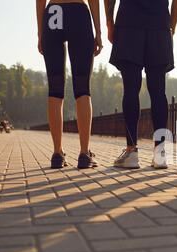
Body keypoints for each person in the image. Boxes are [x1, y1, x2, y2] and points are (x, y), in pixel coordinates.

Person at [105, 0, 177, 169]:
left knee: (131, 89)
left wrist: (109, 22)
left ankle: (131, 151)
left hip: (129, 22)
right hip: (159, 22)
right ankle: (160, 153)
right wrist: (171, 26)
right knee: (158, 91)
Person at [36, 0, 103, 169]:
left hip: (53, 14)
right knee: (82, 88)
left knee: (55, 89)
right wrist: (98, 32)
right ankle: (84, 153)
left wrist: (40, 33)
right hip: (78, 13)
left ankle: (57, 153)